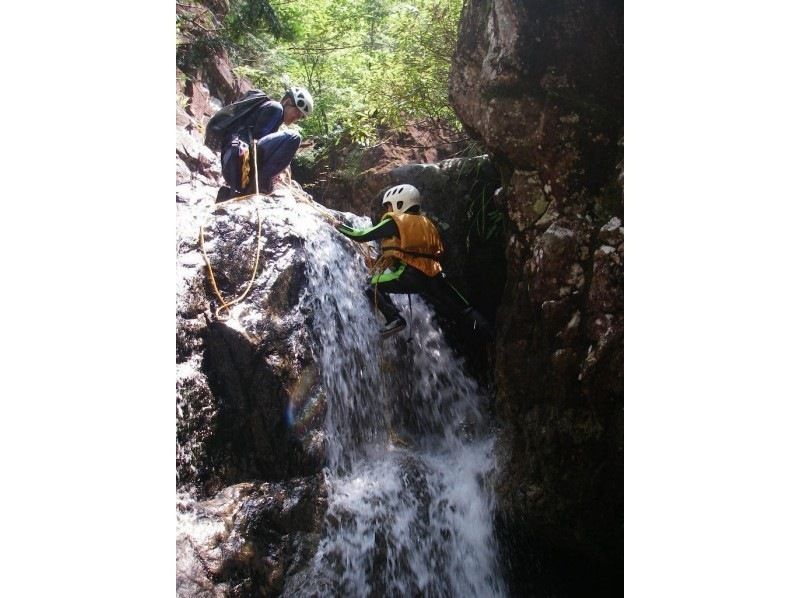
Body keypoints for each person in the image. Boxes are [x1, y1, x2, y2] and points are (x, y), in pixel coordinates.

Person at [336, 184, 492, 340]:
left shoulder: (397, 221)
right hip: (435, 275)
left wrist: (340, 227)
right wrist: (378, 261)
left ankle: (394, 318)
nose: (388, 210)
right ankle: (491, 335)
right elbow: (412, 253)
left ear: (400, 202)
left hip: (411, 275)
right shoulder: (427, 223)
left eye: (389, 206)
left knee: (370, 284)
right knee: (464, 308)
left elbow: (362, 235)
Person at [217, 86, 314, 201]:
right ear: (287, 101)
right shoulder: (276, 108)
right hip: (240, 162)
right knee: (294, 137)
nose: (296, 118)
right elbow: (257, 142)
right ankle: (260, 184)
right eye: (297, 113)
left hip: (233, 169)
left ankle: (250, 188)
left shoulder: (272, 113)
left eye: (300, 117)